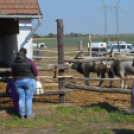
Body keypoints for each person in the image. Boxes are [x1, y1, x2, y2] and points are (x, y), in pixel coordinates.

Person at [12, 48, 39, 119]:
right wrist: (38, 79)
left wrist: (14, 81)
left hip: (18, 81)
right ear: (25, 54)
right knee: (29, 98)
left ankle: (21, 115)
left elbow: (13, 74)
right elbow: (35, 70)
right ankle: (28, 115)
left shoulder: (14, 62)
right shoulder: (29, 61)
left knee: (21, 98)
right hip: (29, 81)